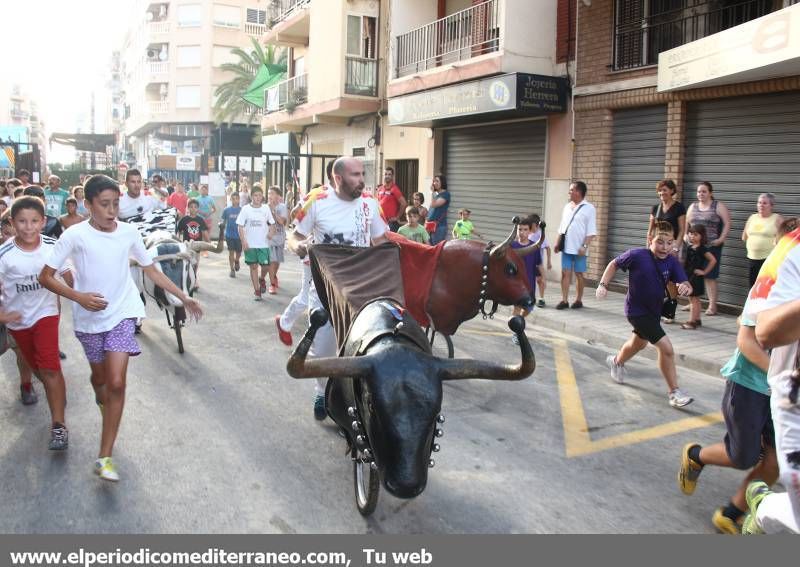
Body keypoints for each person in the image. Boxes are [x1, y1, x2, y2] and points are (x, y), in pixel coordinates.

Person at [39, 174, 202, 482]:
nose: (112, 210)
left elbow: (150, 269)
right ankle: (102, 398)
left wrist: (183, 297)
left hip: (123, 313)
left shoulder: (128, 233)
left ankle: (105, 457)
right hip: (89, 320)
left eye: (115, 204)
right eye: (104, 204)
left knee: (116, 382)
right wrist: (79, 297)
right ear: (88, 205)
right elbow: (45, 276)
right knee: (100, 378)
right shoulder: (73, 236)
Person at [288, 157, 388, 419]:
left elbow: (381, 241)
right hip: (324, 290)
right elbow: (294, 234)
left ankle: (355, 399)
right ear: (338, 178)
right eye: (355, 175)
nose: (362, 180)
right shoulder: (316, 200)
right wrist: (296, 246)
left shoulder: (370, 204)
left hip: (360, 289)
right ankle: (322, 390)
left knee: (360, 349)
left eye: (362, 174)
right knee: (322, 351)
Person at [677, 300, 776, 534]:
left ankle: (730, 514)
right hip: (750, 385)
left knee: (776, 462)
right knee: (743, 458)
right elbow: (745, 340)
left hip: (787, 396)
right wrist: (780, 375)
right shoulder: (778, 276)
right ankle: (696, 456)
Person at [0, 197, 73, 450]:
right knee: (41, 371)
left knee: (50, 368)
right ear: (12, 223)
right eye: (22, 221)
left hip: (46, 315)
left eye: (34, 221)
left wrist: (84, 296)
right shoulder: (4, 255)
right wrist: (2, 315)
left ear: (43, 222)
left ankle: (59, 427)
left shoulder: (54, 246)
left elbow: (69, 276)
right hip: (18, 323)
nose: (28, 227)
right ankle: (56, 393)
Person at [596, 221, 694, 408]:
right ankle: (674, 392)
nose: (665, 247)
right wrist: (603, 284)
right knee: (666, 349)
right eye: (660, 242)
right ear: (650, 239)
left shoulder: (672, 262)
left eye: (669, 242)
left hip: (653, 311)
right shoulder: (637, 255)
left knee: (638, 343)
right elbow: (614, 264)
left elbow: (686, 284)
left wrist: (684, 288)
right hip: (636, 311)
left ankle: (617, 362)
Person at [740, 226, 800, 534]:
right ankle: (763, 505)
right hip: (788, 394)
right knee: (740, 454)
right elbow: (758, 334)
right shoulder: (791, 248)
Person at [275, 163, 338, 348]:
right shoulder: (316, 197)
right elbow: (295, 217)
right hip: (313, 253)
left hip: (337, 259)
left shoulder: (352, 199)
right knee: (307, 296)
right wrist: (305, 212)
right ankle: (286, 323)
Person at [1, 212, 37, 405]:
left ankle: (26, 385)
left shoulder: (31, 252)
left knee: (22, 353)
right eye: (5, 233)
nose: (9, 238)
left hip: (17, 316)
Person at [685, 181, 731, 316]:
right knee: (693, 274)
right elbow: (687, 223)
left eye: (704, 191)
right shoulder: (693, 206)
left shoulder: (718, 206)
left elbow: (727, 222)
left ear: (711, 193)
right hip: (694, 247)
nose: (701, 194)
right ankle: (693, 301)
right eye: (699, 191)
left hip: (711, 247)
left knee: (709, 276)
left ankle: (712, 306)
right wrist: (684, 237)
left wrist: (721, 239)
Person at [555, 180, 597, 310]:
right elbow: (562, 227)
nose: (569, 192)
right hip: (566, 247)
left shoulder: (589, 208)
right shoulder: (567, 206)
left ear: (578, 192)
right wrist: (557, 242)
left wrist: (584, 246)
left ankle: (578, 300)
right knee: (565, 273)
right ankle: (564, 300)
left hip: (580, 249)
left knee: (579, 274)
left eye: (571, 189)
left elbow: (591, 231)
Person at [236, 186, 276, 302]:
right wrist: (243, 241)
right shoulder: (245, 209)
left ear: (262, 196)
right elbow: (240, 226)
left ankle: (262, 278)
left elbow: (272, 223)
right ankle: (257, 291)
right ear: (251, 196)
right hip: (250, 244)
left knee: (265, 266)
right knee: (253, 266)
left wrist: (271, 233)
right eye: (255, 195)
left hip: (263, 244)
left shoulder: (265, 208)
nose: (257, 198)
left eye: (259, 195)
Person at [510, 217, 543, 344]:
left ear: (530, 231)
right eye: (519, 229)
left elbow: (538, 264)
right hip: (516, 284)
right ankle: (516, 332)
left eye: (525, 229)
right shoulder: (512, 246)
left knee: (529, 308)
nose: (522, 232)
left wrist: (542, 277)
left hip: (530, 284)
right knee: (517, 308)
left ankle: (517, 321)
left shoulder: (534, 247)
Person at [742, 193, 782, 289]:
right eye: (759, 202)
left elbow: (784, 240)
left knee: (767, 287)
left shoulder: (777, 219)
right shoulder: (752, 218)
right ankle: (754, 304)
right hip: (752, 258)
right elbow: (744, 236)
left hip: (768, 259)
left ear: (771, 205)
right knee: (753, 286)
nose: (761, 205)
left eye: (764, 203)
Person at [681, 224, 717, 330]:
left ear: (702, 236)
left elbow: (713, 260)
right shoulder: (689, 247)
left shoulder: (702, 249)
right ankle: (697, 319)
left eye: (695, 234)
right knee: (693, 298)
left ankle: (692, 321)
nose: (692, 236)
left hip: (696, 277)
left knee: (694, 300)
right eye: (690, 234)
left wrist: (704, 271)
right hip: (689, 275)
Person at [647, 179, 686, 254]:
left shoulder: (679, 207)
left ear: (672, 191)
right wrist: (650, 245)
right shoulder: (655, 208)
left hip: (672, 244)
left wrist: (675, 248)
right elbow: (650, 231)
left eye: (664, 190)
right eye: (660, 190)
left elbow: (682, 230)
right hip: (659, 244)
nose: (662, 193)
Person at [266, 186, 288, 295]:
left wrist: (273, 212)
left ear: (278, 196)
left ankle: (274, 276)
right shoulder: (265, 207)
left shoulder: (282, 207)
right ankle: (272, 284)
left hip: (280, 238)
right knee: (271, 260)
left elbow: (282, 222)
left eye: (272, 193)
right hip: (269, 238)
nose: (270, 196)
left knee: (277, 261)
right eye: (269, 193)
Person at [528, 214, 551, 308]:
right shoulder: (527, 233)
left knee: (540, 280)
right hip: (528, 262)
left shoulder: (540, 234)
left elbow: (548, 248)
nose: (530, 227)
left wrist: (549, 261)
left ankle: (541, 299)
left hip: (537, 263)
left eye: (532, 225)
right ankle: (529, 297)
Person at [376, 167, 407, 232]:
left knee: (390, 242)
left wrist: (397, 217)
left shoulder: (394, 189)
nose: (387, 176)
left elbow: (404, 204)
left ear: (392, 176)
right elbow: (377, 203)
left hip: (391, 223)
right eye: (385, 174)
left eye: (389, 174)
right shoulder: (380, 189)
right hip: (380, 221)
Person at [220, 192, 242, 278]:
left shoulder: (242, 210)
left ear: (239, 199)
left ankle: (237, 260)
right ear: (230, 199)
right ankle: (232, 269)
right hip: (229, 235)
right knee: (231, 252)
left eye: (237, 198)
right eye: (233, 198)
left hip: (239, 235)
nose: (235, 200)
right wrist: (221, 225)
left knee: (239, 252)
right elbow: (223, 221)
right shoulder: (226, 210)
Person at [426, 175, 450, 246]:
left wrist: (432, 192)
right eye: (433, 181)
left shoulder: (445, 194)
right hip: (430, 226)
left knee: (436, 248)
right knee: (430, 247)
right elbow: (432, 208)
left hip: (439, 227)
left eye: (437, 181)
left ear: (442, 182)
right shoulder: (437, 195)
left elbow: (434, 205)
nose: (434, 183)